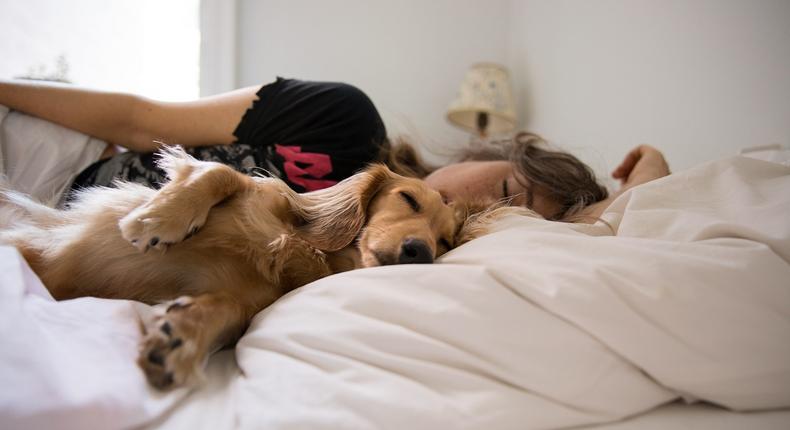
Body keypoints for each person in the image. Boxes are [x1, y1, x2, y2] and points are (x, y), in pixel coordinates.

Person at [0, 77, 670, 222]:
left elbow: (601, 239)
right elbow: (145, 119)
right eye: (502, 188)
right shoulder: (343, 119)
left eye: (512, 215)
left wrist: (652, 180)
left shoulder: (398, 248)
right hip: (68, 158)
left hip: (61, 227)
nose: (481, 206)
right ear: (486, 150)